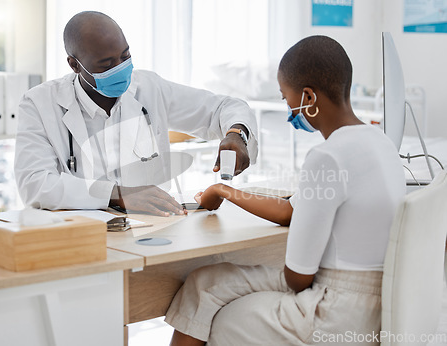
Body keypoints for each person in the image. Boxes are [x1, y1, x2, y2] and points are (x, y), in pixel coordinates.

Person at [165, 35, 406, 345]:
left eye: (285, 98)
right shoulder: (380, 143)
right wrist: (224, 191)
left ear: (308, 96)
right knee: (205, 283)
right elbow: (293, 211)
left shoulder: (327, 157)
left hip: (336, 313)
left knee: (215, 304)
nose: (289, 109)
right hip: (376, 305)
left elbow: (297, 278)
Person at [14, 11, 258, 215]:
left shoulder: (150, 88)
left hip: (153, 226)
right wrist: (117, 195)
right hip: (80, 236)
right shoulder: (39, 104)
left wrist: (237, 133)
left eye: (125, 56)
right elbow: (35, 184)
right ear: (74, 64)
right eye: (107, 64)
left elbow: (224, 107)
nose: (120, 68)